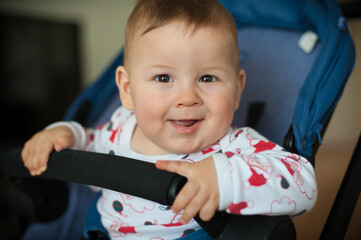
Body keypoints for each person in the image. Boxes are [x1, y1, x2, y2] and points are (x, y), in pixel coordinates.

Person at [21, 0, 317, 239]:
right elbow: (89, 142)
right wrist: (63, 133)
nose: (187, 97)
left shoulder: (233, 146)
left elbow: (303, 182)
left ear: (237, 89)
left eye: (207, 77)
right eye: (164, 77)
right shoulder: (121, 128)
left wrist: (225, 179)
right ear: (127, 89)